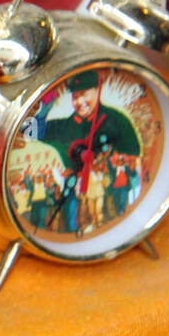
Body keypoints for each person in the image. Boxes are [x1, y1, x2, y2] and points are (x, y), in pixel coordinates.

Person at [41, 70, 140, 234]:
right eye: (74, 97)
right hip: (74, 189)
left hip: (109, 187)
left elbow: (133, 155)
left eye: (84, 94)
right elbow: (29, 129)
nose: (79, 102)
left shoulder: (118, 121)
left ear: (97, 90)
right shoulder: (62, 126)